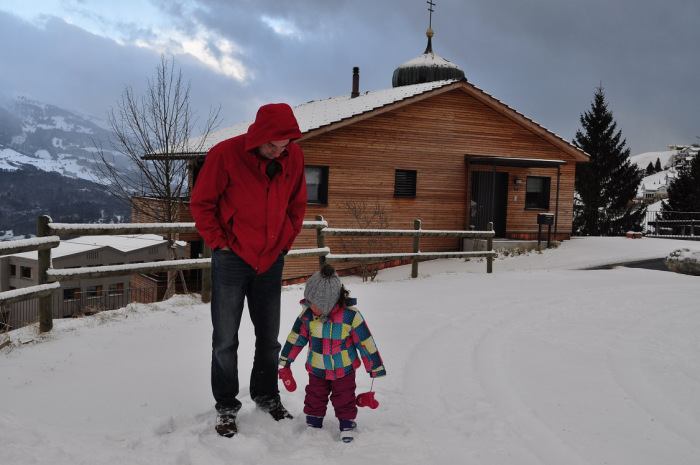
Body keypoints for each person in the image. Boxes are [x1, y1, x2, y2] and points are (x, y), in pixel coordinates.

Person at [190, 103, 307, 438]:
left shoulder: (293, 157)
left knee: (269, 338)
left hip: (271, 259)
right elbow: (202, 203)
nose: (278, 151)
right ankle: (226, 406)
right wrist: (219, 242)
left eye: (285, 144)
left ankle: (267, 395)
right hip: (231, 259)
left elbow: (297, 203)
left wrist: (285, 242)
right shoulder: (225, 155)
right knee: (225, 338)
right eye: (272, 144)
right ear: (258, 135)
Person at [278, 264, 386, 443]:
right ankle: (313, 423)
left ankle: (347, 424)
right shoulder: (307, 316)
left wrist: (374, 366)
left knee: (344, 396)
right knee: (315, 395)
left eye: (313, 302)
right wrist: (286, 360)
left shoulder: (350, 316)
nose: (308, 305)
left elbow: (365, 341)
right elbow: (296, 338)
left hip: (344, 369)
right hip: (317, 368)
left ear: (326, 303)